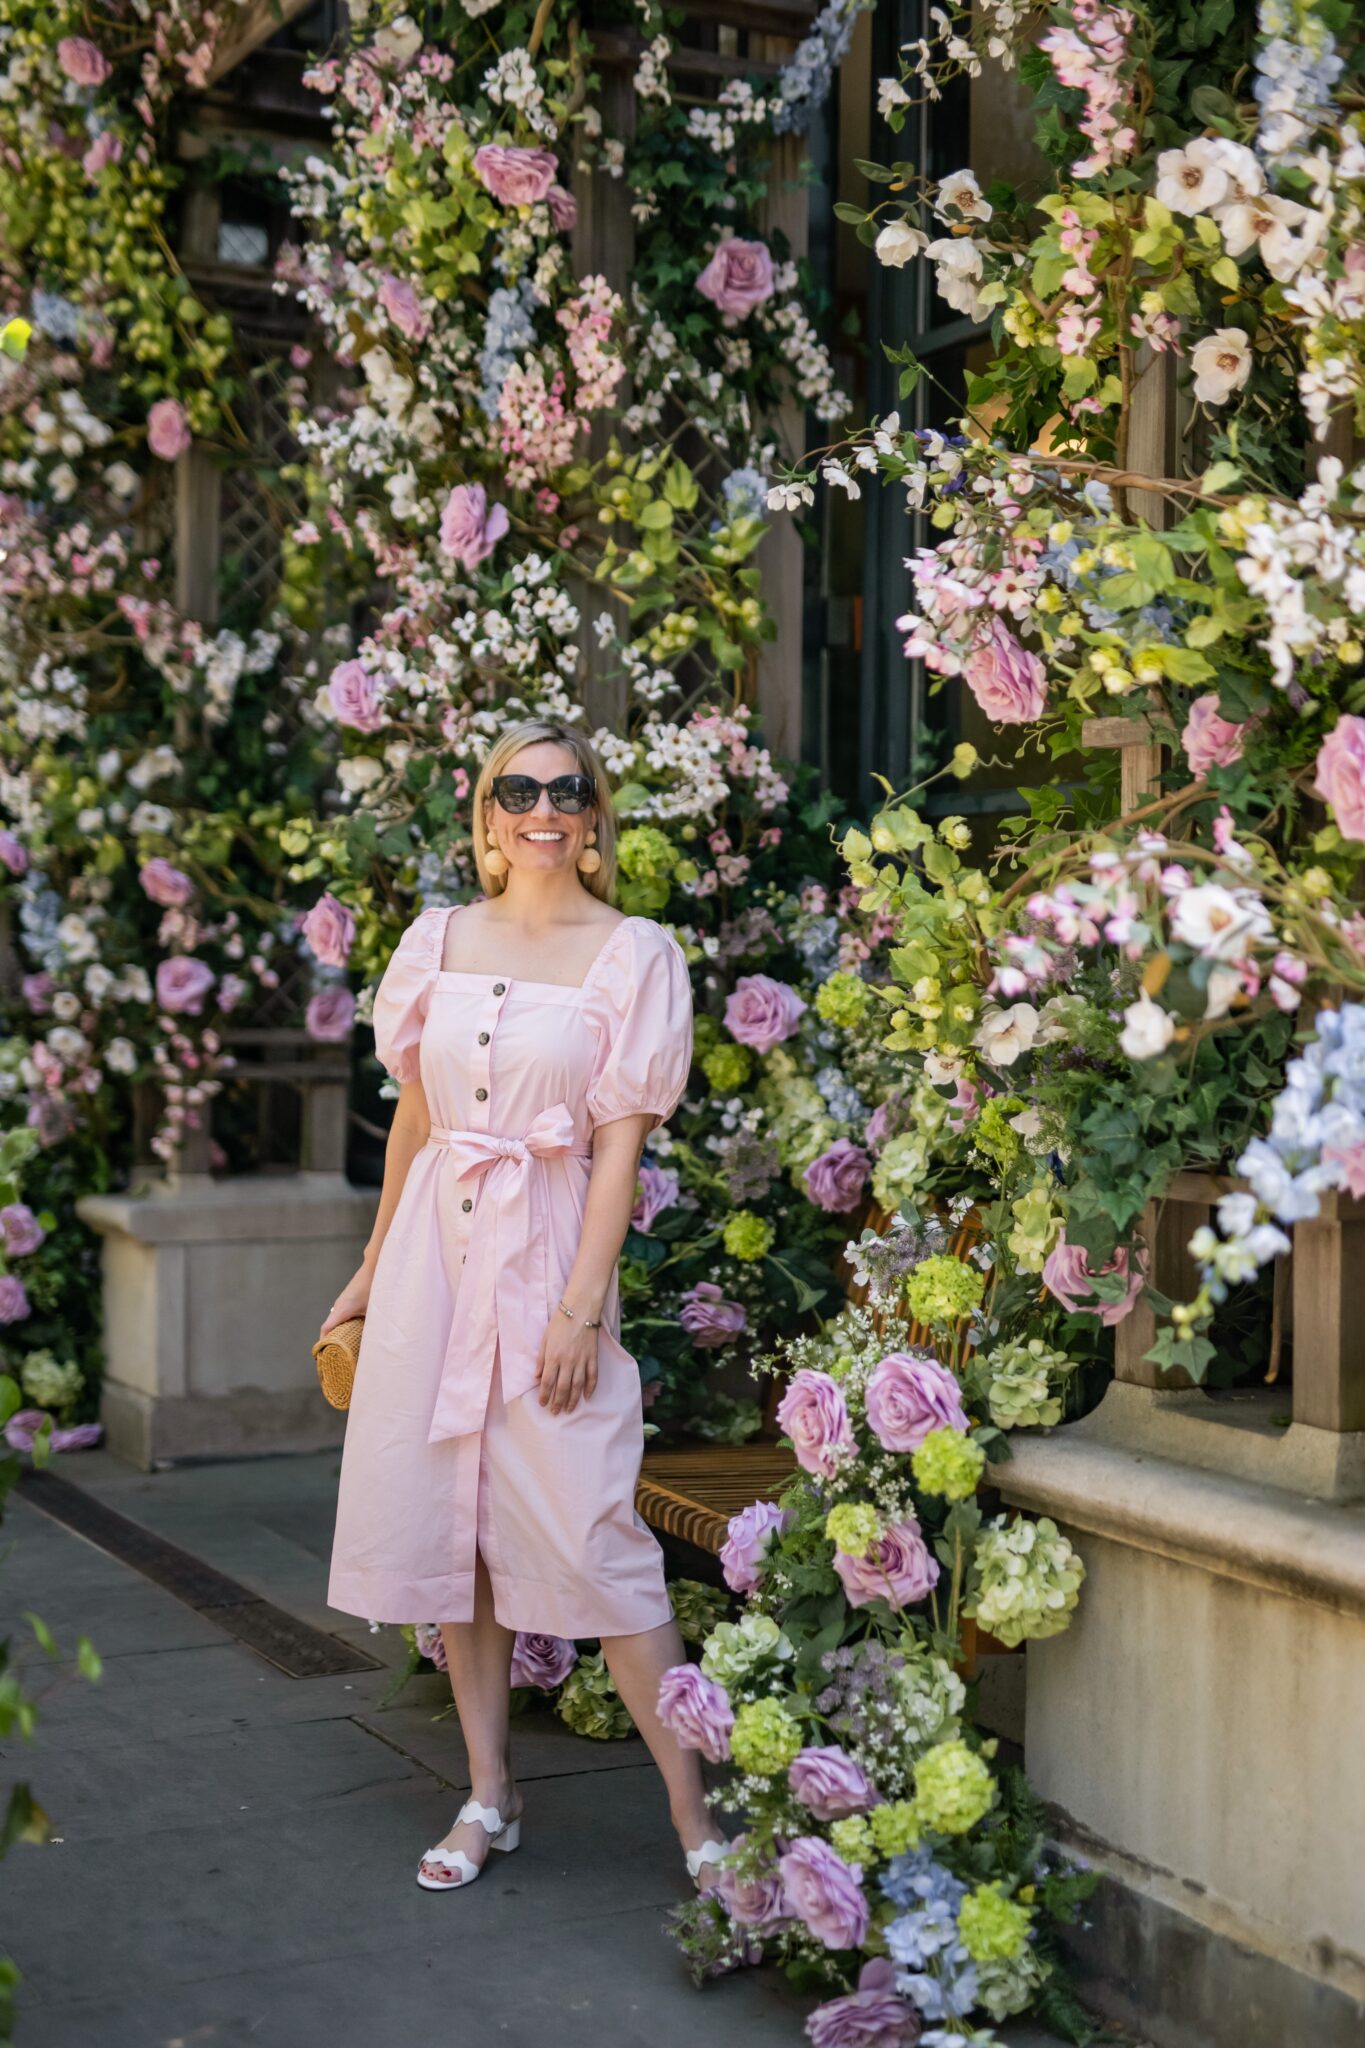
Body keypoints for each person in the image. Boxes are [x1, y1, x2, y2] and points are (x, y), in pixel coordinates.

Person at [321, 718, 729, 1895]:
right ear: (487, 814)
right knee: (463, 1540)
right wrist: (366, 1267)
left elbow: (617, 1146)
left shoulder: (633, 952)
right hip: (431, 1273)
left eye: (568, 788)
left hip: (549, 1259)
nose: (542, 806)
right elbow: (414, 1120)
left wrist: (581, 1304)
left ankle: (695, 1820)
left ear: (596, 815)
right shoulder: (437, 938)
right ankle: (488, 1792)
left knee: (600, 1534)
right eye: (518, 788)